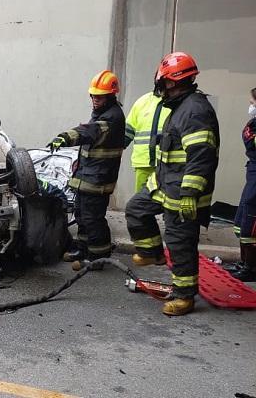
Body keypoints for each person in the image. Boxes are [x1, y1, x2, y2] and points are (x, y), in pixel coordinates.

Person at [125, 52, 220, 316]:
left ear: (170, 82)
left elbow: (201, 155)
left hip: (183, 194)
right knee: (136, 208)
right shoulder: (179, 108)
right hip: (165, 185)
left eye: (164, 83)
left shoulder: (195, 110)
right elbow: (170, 157)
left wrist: (190, 192)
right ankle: (152, 252)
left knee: (180, 244)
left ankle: (184, 297)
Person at [47, 70, 125, 267]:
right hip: (88, 176)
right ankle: (82, 250)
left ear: (110, 95)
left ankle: (98, 256)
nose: (95, 100)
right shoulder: (102, 113)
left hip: (98, 179)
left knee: (93, 219)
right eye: (93, 96)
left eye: (99, 96)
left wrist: (66, 136)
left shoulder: (112, 117)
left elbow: (89, 132)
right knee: (81, 215)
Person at [228, 87, 256, 282]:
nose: (251, 106)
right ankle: (244, 262)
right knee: (242, 220)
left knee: (250, 222)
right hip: (253, 173)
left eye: (253, 103)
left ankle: (251, 267)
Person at [124, 90, 170, 192]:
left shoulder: (176, 102)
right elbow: (127, 131)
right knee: (141, 203)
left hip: (166, 162)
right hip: (143, 163)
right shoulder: (142, 102)